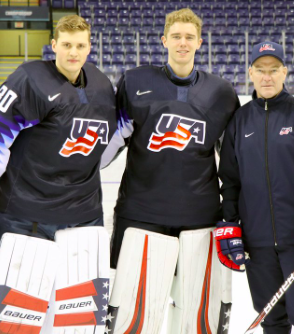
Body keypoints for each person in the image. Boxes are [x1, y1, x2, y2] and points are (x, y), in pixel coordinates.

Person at [0, 15, 116, 332]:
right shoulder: (29, 80)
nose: (73, 52)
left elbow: (113, 141)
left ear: (89, 48)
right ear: (54, 45)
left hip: (82, 219)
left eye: (80, 46)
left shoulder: (101, 84)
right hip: (25, 219)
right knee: (15, 318)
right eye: (67, 45)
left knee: (75, 320)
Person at [102, 8, 240, 334]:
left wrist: (236, 218)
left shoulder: (221, 93)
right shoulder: (135, 82)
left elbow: (234, 166)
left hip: (201, 219)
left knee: (198, 318)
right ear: (164, 40)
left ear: (200, 42)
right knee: (132, 317)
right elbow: (107, 147)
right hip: (140, 216)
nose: (182, 43)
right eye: (176, 36)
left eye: (189, 37)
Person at [216, 41, 294, 334]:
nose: (266, 77)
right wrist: (230, 224)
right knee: (271, 318)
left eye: (273, 70)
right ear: (250, 74)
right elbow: (230, 180)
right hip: (257, 242)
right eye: (260, 70)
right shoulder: (239, 121)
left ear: (285, 72)